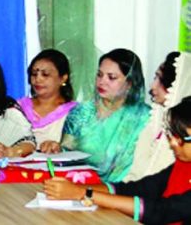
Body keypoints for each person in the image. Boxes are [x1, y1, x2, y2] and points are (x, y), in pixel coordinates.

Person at [43, 96, 191, 224]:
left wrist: (83, 194)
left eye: (181, 138)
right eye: (171, 135)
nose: (172, 143)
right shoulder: (183, 165)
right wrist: (77, 189)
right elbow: (140, 189)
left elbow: (160, 212)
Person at [43, 48, 150, 182]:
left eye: (111, 77)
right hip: (74, 186)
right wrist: (55, 148)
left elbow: (137, 168)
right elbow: (66, 153)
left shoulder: (143, 119)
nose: (101, 81)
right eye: (99, 75)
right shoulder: (81, 112)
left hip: (120, 193)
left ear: (129, 83)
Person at [124, 51, 183, 181]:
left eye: (158, 79)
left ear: (174, 85)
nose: (152, 87)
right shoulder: (155, 125)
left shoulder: (182, 141)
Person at [17, 49, 78, 152]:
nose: (38, 79)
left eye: (45, 74)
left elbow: (79, 148)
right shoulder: (18, 108)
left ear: (63, 78)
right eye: (34, 74)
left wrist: (59, 148)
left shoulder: (75, 113)